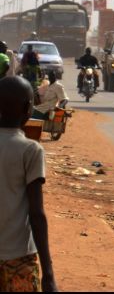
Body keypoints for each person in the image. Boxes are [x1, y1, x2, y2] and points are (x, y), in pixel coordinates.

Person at [0, 76, 58, 292]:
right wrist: (49, 273)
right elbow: (36, 214)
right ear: (28, 108)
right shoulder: (30, 150)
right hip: (19, 258)